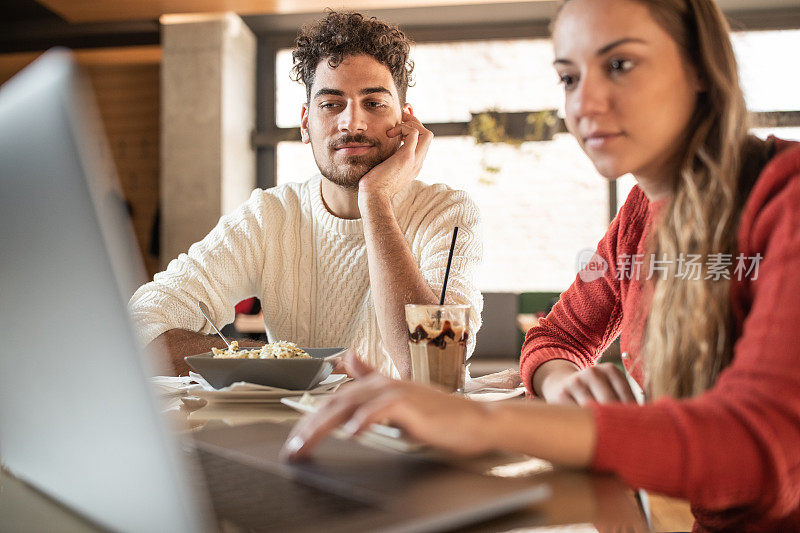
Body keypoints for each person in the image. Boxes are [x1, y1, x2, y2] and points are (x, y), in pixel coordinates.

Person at [281, 1, 800, 530]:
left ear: (699, 70)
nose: (586, 102)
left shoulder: (787, 196)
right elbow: (557, 337)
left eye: (619, 65)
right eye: (569, 77)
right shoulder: (639, 216)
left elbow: (756, 449)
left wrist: (486, 420)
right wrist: (561, 384)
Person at [129, 11, 483, 378]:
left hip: (410, 433)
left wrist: (375, 199)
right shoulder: (269, 216)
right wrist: (290, 360)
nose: (351, 123)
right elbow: (140, 328)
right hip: (294, 434)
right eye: (331, 104)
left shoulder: (447, 213)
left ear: (406, 121)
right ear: (305, 123)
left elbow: (434, 366)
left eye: (374, 103)